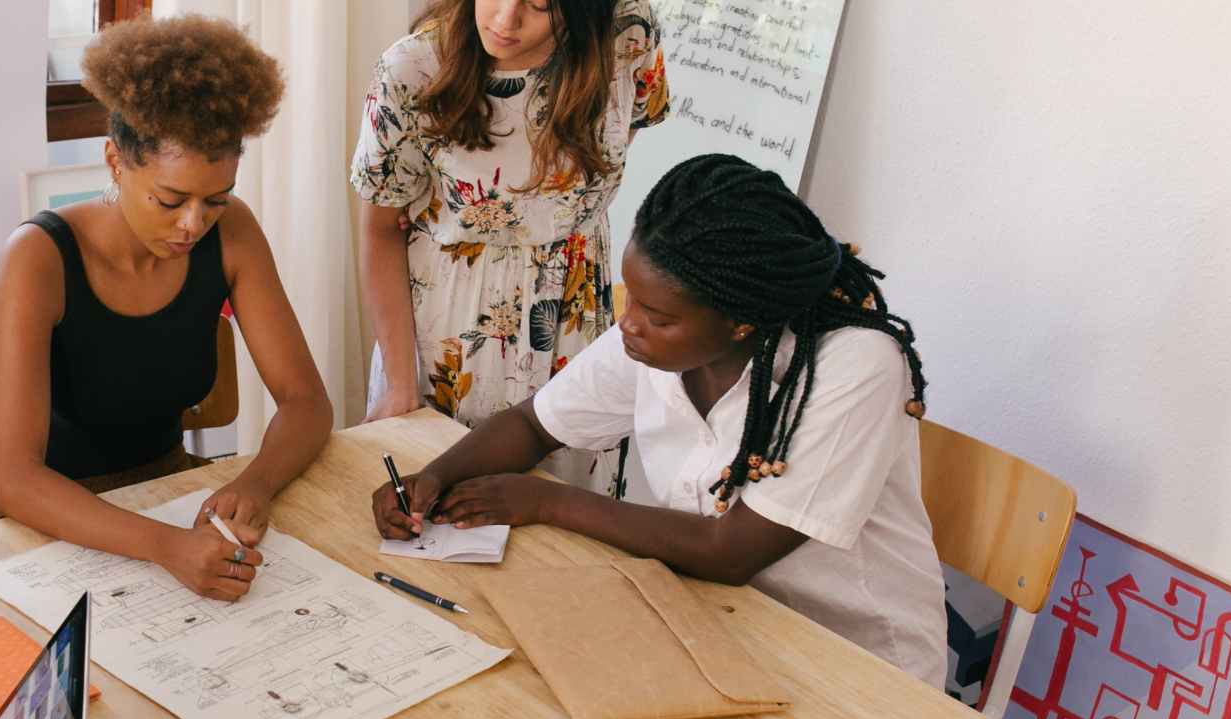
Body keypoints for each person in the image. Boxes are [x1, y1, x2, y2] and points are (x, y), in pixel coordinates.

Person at [371, 155, 949, 687]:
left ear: (740, 321)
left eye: (658, 316)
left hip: (858, 666)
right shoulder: (654, 341)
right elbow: (533, 425)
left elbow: (730, 551)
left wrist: (546, 501)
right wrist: (434, 478)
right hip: (720, 623)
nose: (628, 323)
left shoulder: (854, 366)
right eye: (634, 300)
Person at [0, 16, 333, 602]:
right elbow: (14, 481)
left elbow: (306, 401)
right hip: (47, 518)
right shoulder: (38, 257)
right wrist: (167, 546)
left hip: (168, 493)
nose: (193, 224)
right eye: (170, 200)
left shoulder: (233, 233)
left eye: (215, 200)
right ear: (115, 161)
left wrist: (256, 483)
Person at [351, 0, 669, 490]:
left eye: (539, 5)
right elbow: (379, 230)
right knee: (439, 505)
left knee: (566, 514)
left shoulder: (628, 32)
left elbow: (620, 136)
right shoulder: (411, 69)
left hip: (576, 323)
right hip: (453, 333)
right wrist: (399, 384)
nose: (504, 21)